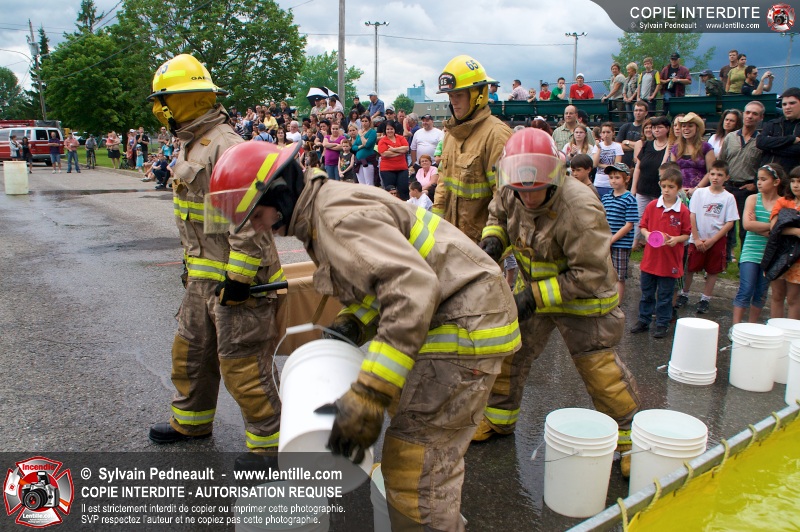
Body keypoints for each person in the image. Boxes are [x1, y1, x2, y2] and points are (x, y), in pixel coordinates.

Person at [207, 139, 522, 532]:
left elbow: (411, 290)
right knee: (418, 445)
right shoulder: (324, 210)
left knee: (414, 466)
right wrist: (355, 321)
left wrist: (370, 393)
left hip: (464, 324)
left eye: (256, 214)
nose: (257, 227)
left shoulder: (335, 219)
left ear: (280, 193)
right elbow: (385, 283)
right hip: (457, 315)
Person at [475, 128, 640, 478]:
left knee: (600, 372)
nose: (527, 197)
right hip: (534, 290)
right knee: (509, 353)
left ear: (553, 176)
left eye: (534, 189)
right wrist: (493, 241)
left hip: (584, 301)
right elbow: (498, 218)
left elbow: (589, 274)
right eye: (520, 189)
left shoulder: (579, 207)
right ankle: (499, 419)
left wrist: (532, 297)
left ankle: (631, 441)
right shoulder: (511, 188)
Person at [145, 54, 284, 455]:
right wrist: (191, 268)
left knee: (243, 365)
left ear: (181, 101)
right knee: (191, 353)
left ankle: (269, 446)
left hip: (236, 281)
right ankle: (191, 422)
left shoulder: (226, 146)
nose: (160, 110)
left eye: (163, 101)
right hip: (203, 277)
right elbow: (201, 219)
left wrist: (239, 279)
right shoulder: (193, 144)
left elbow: (249, 218)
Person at [432, 55, 512, 243]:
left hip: (482, 245)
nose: (453, 101)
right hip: (452, 241)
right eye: (450, 96)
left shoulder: (496, 135)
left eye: (459, 95)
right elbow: (443, 185)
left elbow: (504, 196)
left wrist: (494, 238)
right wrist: (435, 228)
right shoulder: (451, 134)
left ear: (478, 95)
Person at [631, 165, 691, 338]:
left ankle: (662, 323)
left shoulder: (683, 211)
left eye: (671, 187)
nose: (666, 190)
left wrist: (676, 239)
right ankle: (643, 319)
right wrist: (647, 234)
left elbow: (687, 234)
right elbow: (643, 226)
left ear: (678, 188)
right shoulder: (652, 206)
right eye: (664, 186)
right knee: (647, 293)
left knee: (665, 295)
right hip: (651, 260)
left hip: (669, 261)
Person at [679, 161, 740, 314]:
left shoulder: (729, 198)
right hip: (697, 237)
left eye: (720, 175)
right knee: (690, 268)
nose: (715, 178)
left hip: (716, 240)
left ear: (726, 177)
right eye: (712, 174)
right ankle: (684, 294)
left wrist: (713, 240)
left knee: (713, 270)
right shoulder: (699, 193)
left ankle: (705, 299)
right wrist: (696, 238)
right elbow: (692, 215)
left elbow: (730, 222)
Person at [732, 164, 784, 328]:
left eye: (763, 179)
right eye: (758, 179)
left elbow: (779, 231)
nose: (759, 183)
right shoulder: (753, 199)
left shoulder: (782, 203)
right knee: (746, 288)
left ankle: (752, 326)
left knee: (761, 292)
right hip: (750, 251)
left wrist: (761, 226)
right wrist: (772, 227)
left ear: (776, 182)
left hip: (770, 254)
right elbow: (747, 225)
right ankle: (736, 327)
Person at [718, 102, 765, 249]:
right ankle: (725, 258)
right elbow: (722, 161)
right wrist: (721, 183)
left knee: (745, 229)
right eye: (748, 112)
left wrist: (755, 184)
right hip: (728, 187)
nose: (750, 116)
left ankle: (745, 259)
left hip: (747, 189)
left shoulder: (761, 141)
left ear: (761, 118)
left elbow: (763, 166)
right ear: (743, 114)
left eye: (755, 114)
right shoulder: (730, 137)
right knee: (725, 226)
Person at [632, 116, 672, 248]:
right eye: (654, 128)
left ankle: (656, 242)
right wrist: (634, 188)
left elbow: (664, 166)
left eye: (660, 127)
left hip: (659, 189)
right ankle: (635, 242)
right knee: (639, 216)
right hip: (643, 188)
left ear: (667, 129)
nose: (656, 130)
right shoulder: (647, 145)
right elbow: (638, 167)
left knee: (658, 217)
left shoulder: (671, 147)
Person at [602, 162, 639, 301]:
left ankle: (617, 304)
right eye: (611, 177)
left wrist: (612, 239)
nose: (613, 180)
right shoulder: (606, 197)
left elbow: (629, 225)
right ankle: (606, 300)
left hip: (621, 244)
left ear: (626, 179)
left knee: (619, 276)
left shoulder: (629, 199)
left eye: (617, 177)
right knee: (605, 273)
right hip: (606, 242)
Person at [768, 166, 800, 319]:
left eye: (799, 182)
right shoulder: (782, 201)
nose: (795, 185)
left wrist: (785, 228)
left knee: (793, 298)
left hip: (798, 258)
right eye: (793, 181)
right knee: (777, 295)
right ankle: (775, 328)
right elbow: (774, 228)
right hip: (779, 254)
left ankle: (792, 331)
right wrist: (795, 231)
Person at [758, 87, 800, 173]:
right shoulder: (773, 124)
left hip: (793, 177)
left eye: (792, 103)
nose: (787, 107)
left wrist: (771, 148)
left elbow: (797, 150)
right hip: (769, 176)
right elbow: (760, 142)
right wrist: (791, 139)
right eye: (784, 104)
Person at [670, 112, 715, 194]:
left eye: (690, 126)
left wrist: (697, 189)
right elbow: (672, 172)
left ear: (697, 128)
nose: (686, 128)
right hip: (680, 191)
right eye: (684, 126)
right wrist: (679, 188)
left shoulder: (706, 147)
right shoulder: (675, 148)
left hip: (701, 192)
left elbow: (711, 171)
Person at [377, 121, 410, 200]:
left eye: (391, 129)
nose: (390, 131)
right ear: (385, 130)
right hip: (387, 169)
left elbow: (406, 148)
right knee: (390, 191)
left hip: (402, 168)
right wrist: (400, 152)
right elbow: (384, 153)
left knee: (403, 189)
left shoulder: (400, 138)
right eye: (388, 129)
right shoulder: (382, 141)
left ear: (394, 129)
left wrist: (393, 149)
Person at [592, 122, 624, 198]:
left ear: (613, 133)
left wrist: (600, 165)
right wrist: (599, 149)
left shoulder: (617, 146)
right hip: (598, 182)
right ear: (600, 134)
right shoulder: (597, 146)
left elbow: (616, 166)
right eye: (603, 132)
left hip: (610, 183)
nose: (606, 135)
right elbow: (594, 164)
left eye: (608, 132)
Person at [617, 100, 647, 168]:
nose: (638, 113)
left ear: (646, 113)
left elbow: (646, 147)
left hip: (639, 165)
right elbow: (618, 146)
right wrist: (637, 147)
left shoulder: (647, 129)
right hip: (624, 165)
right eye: (636, 110)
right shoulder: (625, 127)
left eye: (640, 110)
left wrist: (627, 142)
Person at [352, 116, 379, 186]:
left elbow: (367, 145)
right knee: (361, 184)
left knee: (369, 184)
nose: (364, 123)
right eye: (362, 121)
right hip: (358, 161)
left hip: (368, 161)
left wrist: (361, 135)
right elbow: (353, 147)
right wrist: (360, 146)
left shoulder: (372, 132)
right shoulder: (360, 132)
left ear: (369, 122)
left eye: (366, 121)